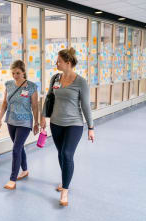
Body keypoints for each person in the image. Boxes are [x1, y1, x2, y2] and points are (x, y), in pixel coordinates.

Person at [40, 48, 95, 206]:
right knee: (60, 154)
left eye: (59, 61)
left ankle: (65, 190)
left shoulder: (81, 82)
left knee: (66, 153)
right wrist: (43, 117)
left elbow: (85, 106)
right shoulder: (55, 78)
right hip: (56, 123)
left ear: (68, 63)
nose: (56, 63)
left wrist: (91, 127)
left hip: (74, 124)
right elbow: (49, 98)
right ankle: (65, 180)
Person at [0, 60, 39, 190]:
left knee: (16, 149)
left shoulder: (31, 86)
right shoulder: (8, 85)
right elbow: (5, 103)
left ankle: (12, 180)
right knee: (19, 147)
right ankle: (25, 170)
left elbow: (35, 106)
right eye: (13, 73)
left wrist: (36, 122)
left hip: (25, 122)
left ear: (23, 72)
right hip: (11, 121)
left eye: (18, 73)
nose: (15, 76)